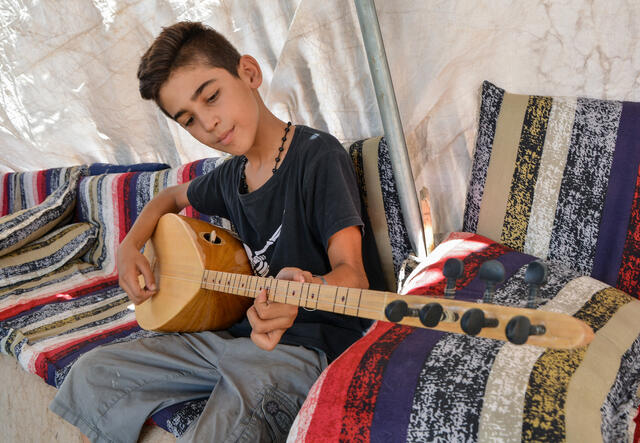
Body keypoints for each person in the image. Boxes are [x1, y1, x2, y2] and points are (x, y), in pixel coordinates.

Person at [50, 21, 381, 443]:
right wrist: (130, 245)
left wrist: (305, 289)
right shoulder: (230, 177)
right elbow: (167, 198)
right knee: (92, 373)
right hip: (231, 338)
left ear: (248, 73)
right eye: (189, 119)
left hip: (304, 350)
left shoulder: (317, 157)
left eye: (211, 96)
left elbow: (354, 276)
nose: (208, 123)